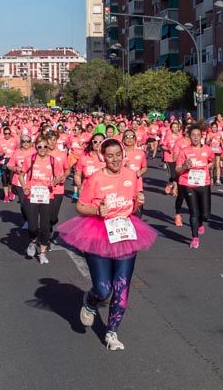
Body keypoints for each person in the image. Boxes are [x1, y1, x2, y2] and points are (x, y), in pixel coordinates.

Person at [57, 139, 158, 351]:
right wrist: (96, 211)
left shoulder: (131, 175)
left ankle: (111, 332)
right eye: (110, 156)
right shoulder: (95, 178)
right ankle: (91, 300)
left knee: (121, 288)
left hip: (125, 232)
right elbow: (80, 206)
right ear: (103, 157)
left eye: (118, 154)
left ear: (123, 154)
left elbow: (134, 204)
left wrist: (139, 201)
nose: (115, 159)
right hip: (99, 233)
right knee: (104, 289)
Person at [18, 135, 65, 263]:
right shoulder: (30, 159)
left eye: (45, 146)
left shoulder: (53, 160)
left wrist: (54, 181)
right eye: (40, 147)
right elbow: (21, 175)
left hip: (47, 196)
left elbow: (60, 176)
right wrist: (24, 187)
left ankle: (42, 252)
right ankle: (33, 242)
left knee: (45, 226)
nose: (42, 149)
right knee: (33, 226)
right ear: (36, 147)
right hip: (32, 196)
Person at [174, 124, 214, 249]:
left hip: (203, 183)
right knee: (194, 212)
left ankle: (201, 222)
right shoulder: (184, 151)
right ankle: (195, 237)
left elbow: (212, 160)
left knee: (206, 214)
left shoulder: (207, 149)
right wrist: (185, 166)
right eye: (193, 135)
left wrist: (209, 166)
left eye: (198, 135)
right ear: (189, 137)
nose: (196, 138)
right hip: (188, 184)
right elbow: (177, 170)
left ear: (201, 136)